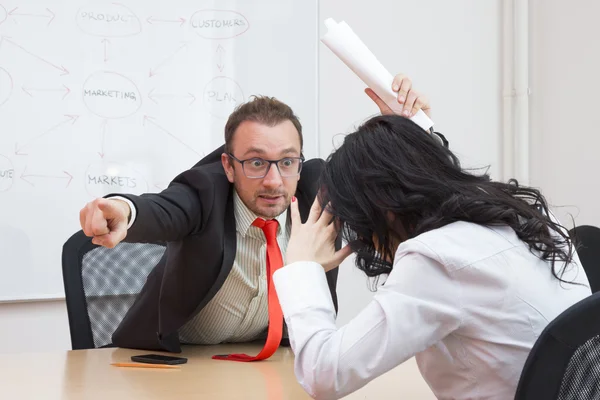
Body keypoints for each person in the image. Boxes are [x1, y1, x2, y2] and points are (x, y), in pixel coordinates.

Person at [78, 74, 439, 355]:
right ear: (229, 166)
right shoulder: (205, 192)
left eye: (286, 162)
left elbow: (400, 188)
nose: (273, 181)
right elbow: (165, 208)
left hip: (274, 365)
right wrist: (125, 210)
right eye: (255, 163)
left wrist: (411, 132)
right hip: (178, 364)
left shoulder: (319, 192)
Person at [273, 114, 592, 398]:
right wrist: (408, 136)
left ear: (380, 209)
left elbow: (323, 374)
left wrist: (301, 267)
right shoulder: (522, 214)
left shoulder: (438, 258)